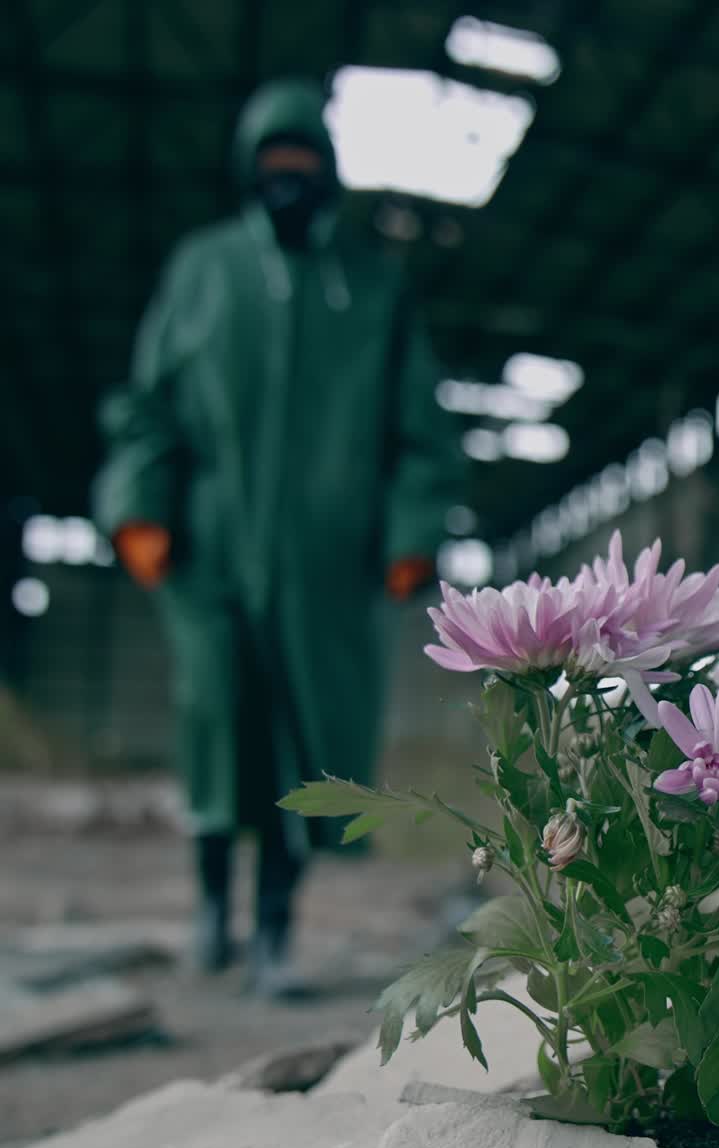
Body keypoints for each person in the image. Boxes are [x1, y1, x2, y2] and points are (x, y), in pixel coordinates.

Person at [93, 79, 462, 997]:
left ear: (328, 172)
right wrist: (140, 504)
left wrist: (414, 528)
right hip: (212, 550)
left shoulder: (374, 288)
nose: (288, 180)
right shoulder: (204, 269)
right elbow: (150, 407)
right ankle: (213, 905)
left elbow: (421, 429)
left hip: (326, 564)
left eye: (304, 164)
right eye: (273, 165)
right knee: (220, 725)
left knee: (310, 747)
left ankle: (274, 931)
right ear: (250, 173)